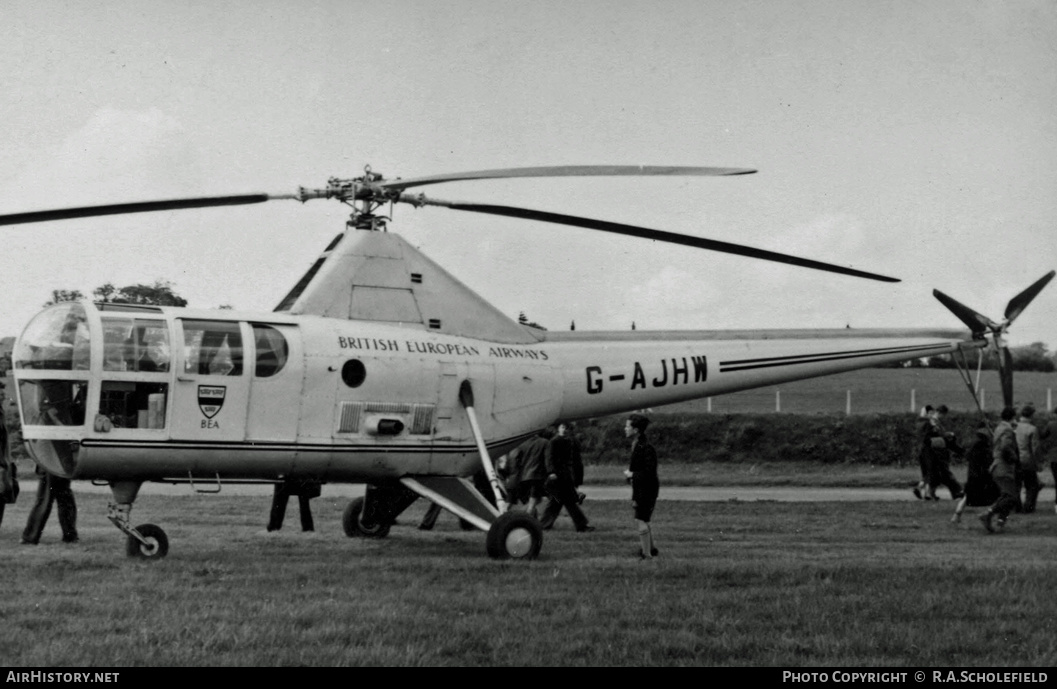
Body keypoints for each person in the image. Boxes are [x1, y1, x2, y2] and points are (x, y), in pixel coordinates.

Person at [538, 423, 594, 532]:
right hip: (557, 476)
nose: (564, 430)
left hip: (565, 475)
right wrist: (551, 472)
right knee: (567, 501)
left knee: (558, 501)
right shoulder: (553, 441)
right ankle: (581, 525)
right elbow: (549, 458)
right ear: (558, 428)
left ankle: (544, 524)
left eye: (566, 428)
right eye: (562, 427)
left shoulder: (569, 441)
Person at [624, 413, 660, 559]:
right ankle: (651, 549)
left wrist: (632, 475)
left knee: (640, 519)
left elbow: (649, 472)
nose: (625, 428)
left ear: (636, 429)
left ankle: (646, 555)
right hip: (643, 487)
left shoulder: (645, 447)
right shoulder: (638, 444)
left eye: (627, 426)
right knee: (644, 519)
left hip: (647, 488)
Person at [980, 407, 1020, 533]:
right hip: (1003, 467)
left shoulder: (999, 427)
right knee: (1012, 497)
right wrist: (1014, 458)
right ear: (1012, 417)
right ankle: (988, 513)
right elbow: (1005, 447)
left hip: (998, 466)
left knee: (1006, 496)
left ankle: (1000, 522)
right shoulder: (1007, 429)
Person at [951, 421, 999, 523]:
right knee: (997, 494)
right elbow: (987, 458)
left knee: (967, 496)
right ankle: (998, 517)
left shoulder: (978, 441)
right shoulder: (981, 443)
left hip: (974, 474)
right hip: (981, 474)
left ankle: (957, 515)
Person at [21, 464, 78, 544]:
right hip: (61, 463)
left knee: (46, 499)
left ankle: (30, 537)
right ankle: (70, 535)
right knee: (64, 499)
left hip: (50, 463)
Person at [516, 430, 550, 519]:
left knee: (535, 500)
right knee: (533, 502)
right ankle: (522, 518)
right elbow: (547, 459)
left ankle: (532, 518)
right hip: (537, 476)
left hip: (524, 476)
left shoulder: (522, 444)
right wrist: (550, 472)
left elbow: (517, 460)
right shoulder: (544, 442)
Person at [1014, 404, 1042, 513]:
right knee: (1032, 485)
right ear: (1031, 416)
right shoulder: (1032, 429)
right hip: (1028, 459)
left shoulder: (1015, 427)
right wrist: (1038, 462)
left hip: (1016, 458)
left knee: (1017, 485)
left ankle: (1017, 507)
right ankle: (1028, 507)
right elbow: (1035, 447)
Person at [913, 405, 934, 499]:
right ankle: (923, 491)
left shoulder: (918, 422)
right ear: (926, 413)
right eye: (930, 413)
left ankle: (925, 492)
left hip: (919, 449)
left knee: (925, 472)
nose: (932, 415)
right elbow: (929, 436)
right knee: (930, 471)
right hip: (927, 449)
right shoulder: (928, 423)